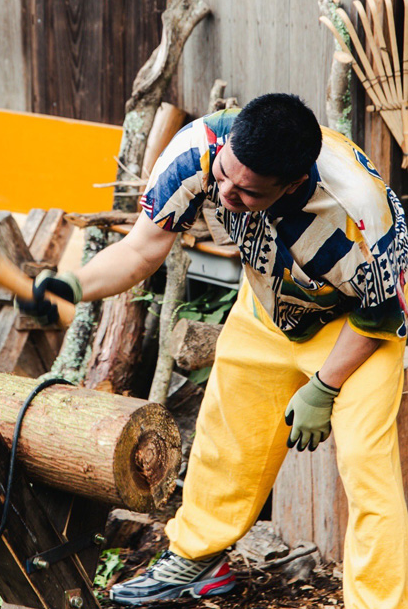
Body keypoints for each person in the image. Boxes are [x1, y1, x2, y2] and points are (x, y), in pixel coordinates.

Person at [23, 93, 408, 609]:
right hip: (269, 306)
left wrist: (324, 387)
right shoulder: (198, 150)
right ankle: (198, 561)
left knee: (366, 467)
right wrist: (74, 284)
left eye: (247, 192)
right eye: (224, 175)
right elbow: (141, 249)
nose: (225, 193)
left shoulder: (360, 208)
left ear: (292, 183)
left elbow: (382, 313)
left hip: (356, 328)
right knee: (228, 437)